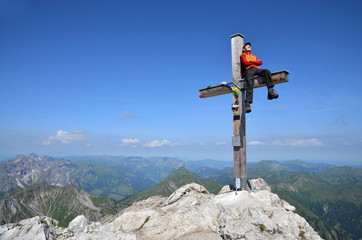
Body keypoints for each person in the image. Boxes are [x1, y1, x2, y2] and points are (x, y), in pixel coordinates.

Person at [240, 42, 279, 113]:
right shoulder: (243, 55)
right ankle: (247, 103)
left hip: (256, 69)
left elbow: (261, 62)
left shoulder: (254, 56)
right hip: (249, 70)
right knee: (249, 83)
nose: (249, 46)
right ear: (244, 48)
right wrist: (255, 62)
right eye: (247, 46)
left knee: (266, 71)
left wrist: (252, 61)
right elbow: (246, 62)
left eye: (249, 46)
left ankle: (270, 91)